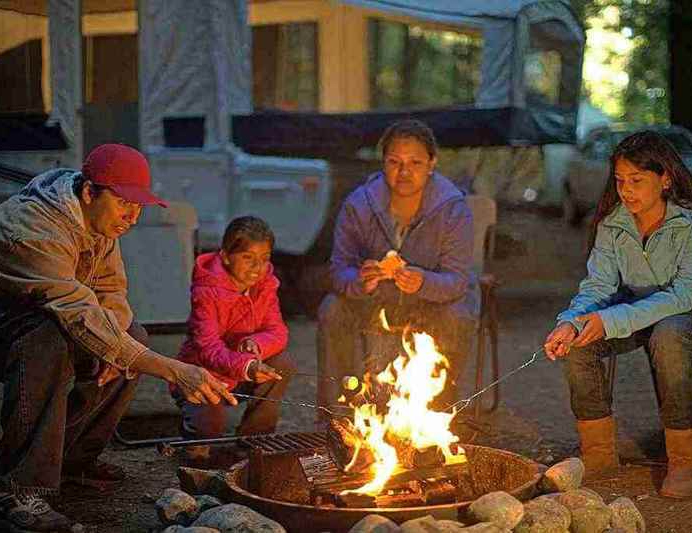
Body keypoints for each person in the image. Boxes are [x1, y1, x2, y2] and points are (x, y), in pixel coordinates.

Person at [0, 144, 235, 532]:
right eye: (124, 203)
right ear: (90, 192)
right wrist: (172, 370)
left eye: (139, 207)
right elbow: (78, 315)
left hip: (18, 310)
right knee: (47, 339)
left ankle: (72, 460)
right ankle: (17, 492)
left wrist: (118, 346)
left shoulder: (97, 223)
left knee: (130, 335)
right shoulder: (35, 229)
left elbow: (111, 293)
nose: (132, 217)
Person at [544, 131, 692, 498]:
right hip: (635, 307)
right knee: (579, 345)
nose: (626, 190)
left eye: (637, 180)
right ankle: (599, 455)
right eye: (620, 181)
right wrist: (571, 323)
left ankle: (686, 460)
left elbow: (685, 293)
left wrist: (613, 320)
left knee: (668, 334)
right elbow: (598, 288)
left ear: (664, 178)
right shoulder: (612, 224)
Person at [317, 119, 479, 416]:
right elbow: (338, 270)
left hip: (432, 304)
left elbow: (458, 280)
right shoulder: (359, 205)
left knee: (458, 314)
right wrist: (360, 281)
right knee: (332, 309)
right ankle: (336, 415)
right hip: (376, 302)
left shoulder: (452, 207)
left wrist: (423, 282)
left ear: (432, 163)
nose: (404, 172)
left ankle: (438, 413)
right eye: (394, 162)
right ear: (383, 164)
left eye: (415, 162)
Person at [174, 216, 294, 447]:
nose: (257, 268)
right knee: (209, 428)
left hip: (242, 374)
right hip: (203, 376)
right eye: (247, 258)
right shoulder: (207, 291)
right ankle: (195, 439)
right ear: (226, 257)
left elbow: (277, 330)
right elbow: (207, 347)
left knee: (283, 363)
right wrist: (246, 366)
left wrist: (256, 344)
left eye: (264, 258)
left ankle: (254, 438)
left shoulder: (266, 286)